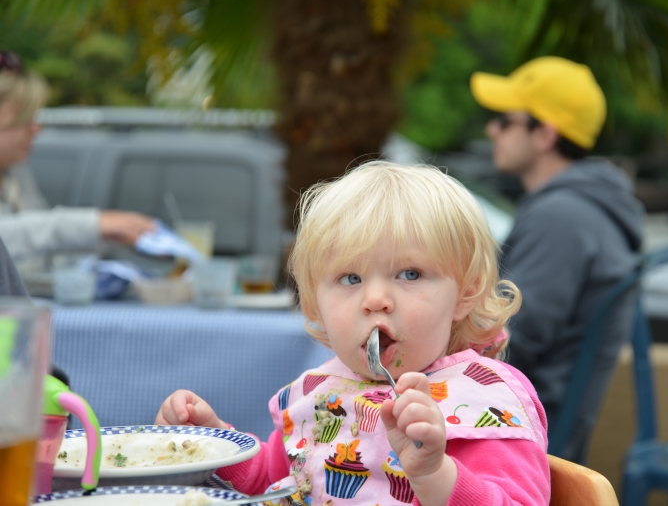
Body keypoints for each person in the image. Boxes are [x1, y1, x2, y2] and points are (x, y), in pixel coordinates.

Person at [155, 161, 551, 505]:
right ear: (315, 305)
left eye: (409, 273)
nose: (375, 299)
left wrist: (435, 474)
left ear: (466, 293)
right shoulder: (323, 394)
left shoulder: (485, 399)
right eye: (350, 278)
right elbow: (274, 479)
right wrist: (214, 443)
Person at [470, 56, 644, 462]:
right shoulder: (580, 208)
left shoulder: (562, 218)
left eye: (505, 121)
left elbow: (506, 338)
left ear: (545, 134)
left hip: (516, 431)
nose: (492, 130)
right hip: (531, 420)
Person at [0, 50, 154, 279]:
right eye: (24, 120)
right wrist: (93, 226)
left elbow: (42, 251)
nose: (36, 130)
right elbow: (9, 237)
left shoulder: (15, 173)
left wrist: (105, 237)